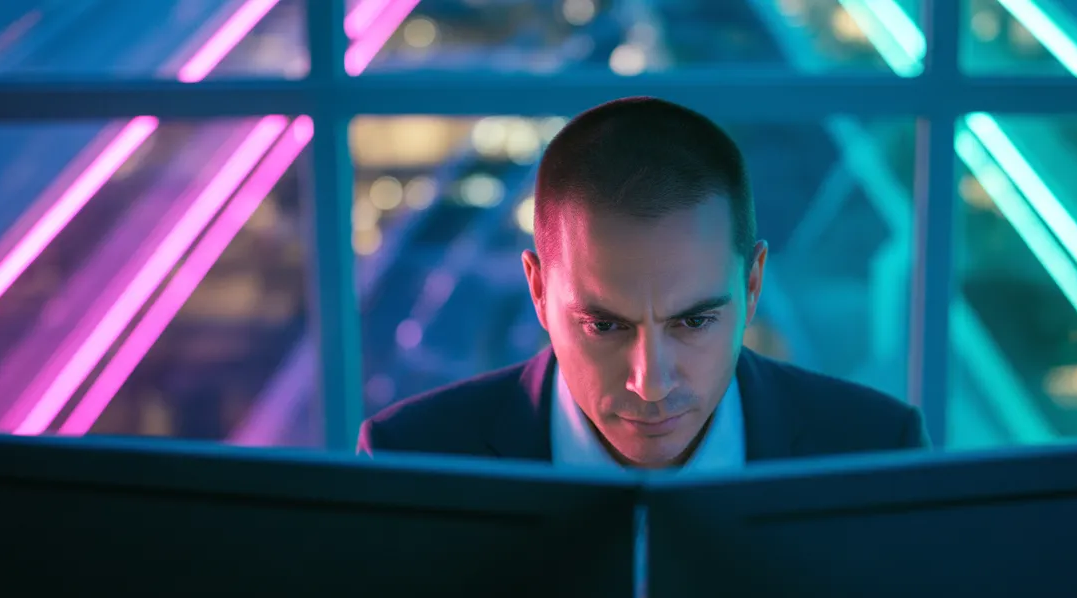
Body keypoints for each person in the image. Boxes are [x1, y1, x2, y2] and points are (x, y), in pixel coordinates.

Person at [358, 97, 930, 470]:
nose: (651, 384)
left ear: (753, 286)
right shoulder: (409, 461)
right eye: (604, 325)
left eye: (695, 320)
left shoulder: (878, 454)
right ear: (537, 291)